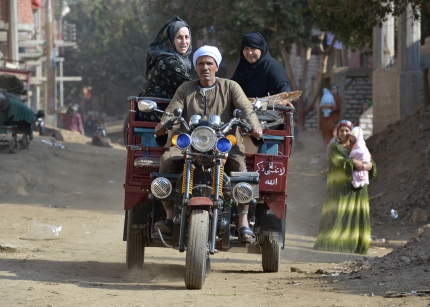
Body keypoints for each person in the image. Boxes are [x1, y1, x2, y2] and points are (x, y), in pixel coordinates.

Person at [154, 46, 263, 243]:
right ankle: (169, 217)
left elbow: (246, 108)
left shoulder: (230, 86)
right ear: (195, 67)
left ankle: (243, 223)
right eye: (201, 63)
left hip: (224, 143)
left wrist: (255, 125)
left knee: (240, 169)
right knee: (167, 160)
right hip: (189, 142)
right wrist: (163, 123)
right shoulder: (185, 88)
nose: (205, 67)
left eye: (209, 63)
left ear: (216, 66)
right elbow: (173, 110)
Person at [314, 120, 376, 254]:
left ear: (352, 132)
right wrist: (354, 162)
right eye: (341, 130)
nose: (344, 133)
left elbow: (369, 161)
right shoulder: (334, 147)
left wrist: (368, 165)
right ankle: (337, 244)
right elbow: (339, 161)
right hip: (339, 188)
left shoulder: (358, 146)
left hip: (357, 188)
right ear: (337, 133)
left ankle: (357, 245)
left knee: (355, 215)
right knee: (339, 214)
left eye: (347, 131)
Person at [137, 15, 192, 122]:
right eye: (179, 37)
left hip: (163, 112)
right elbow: (191, 89)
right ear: (171, 39)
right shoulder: (170, 62)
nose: (184, 42)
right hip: (160, 115)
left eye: (187, 37)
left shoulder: (169, 58)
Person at [231, 31, 291, 98]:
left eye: (253, 48)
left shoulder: (272, 67)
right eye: (246, 49)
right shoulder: (242, 69)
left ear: (261, 49)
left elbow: (283, 87)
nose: (249, 52)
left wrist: (285, 100)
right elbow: (231, 89)